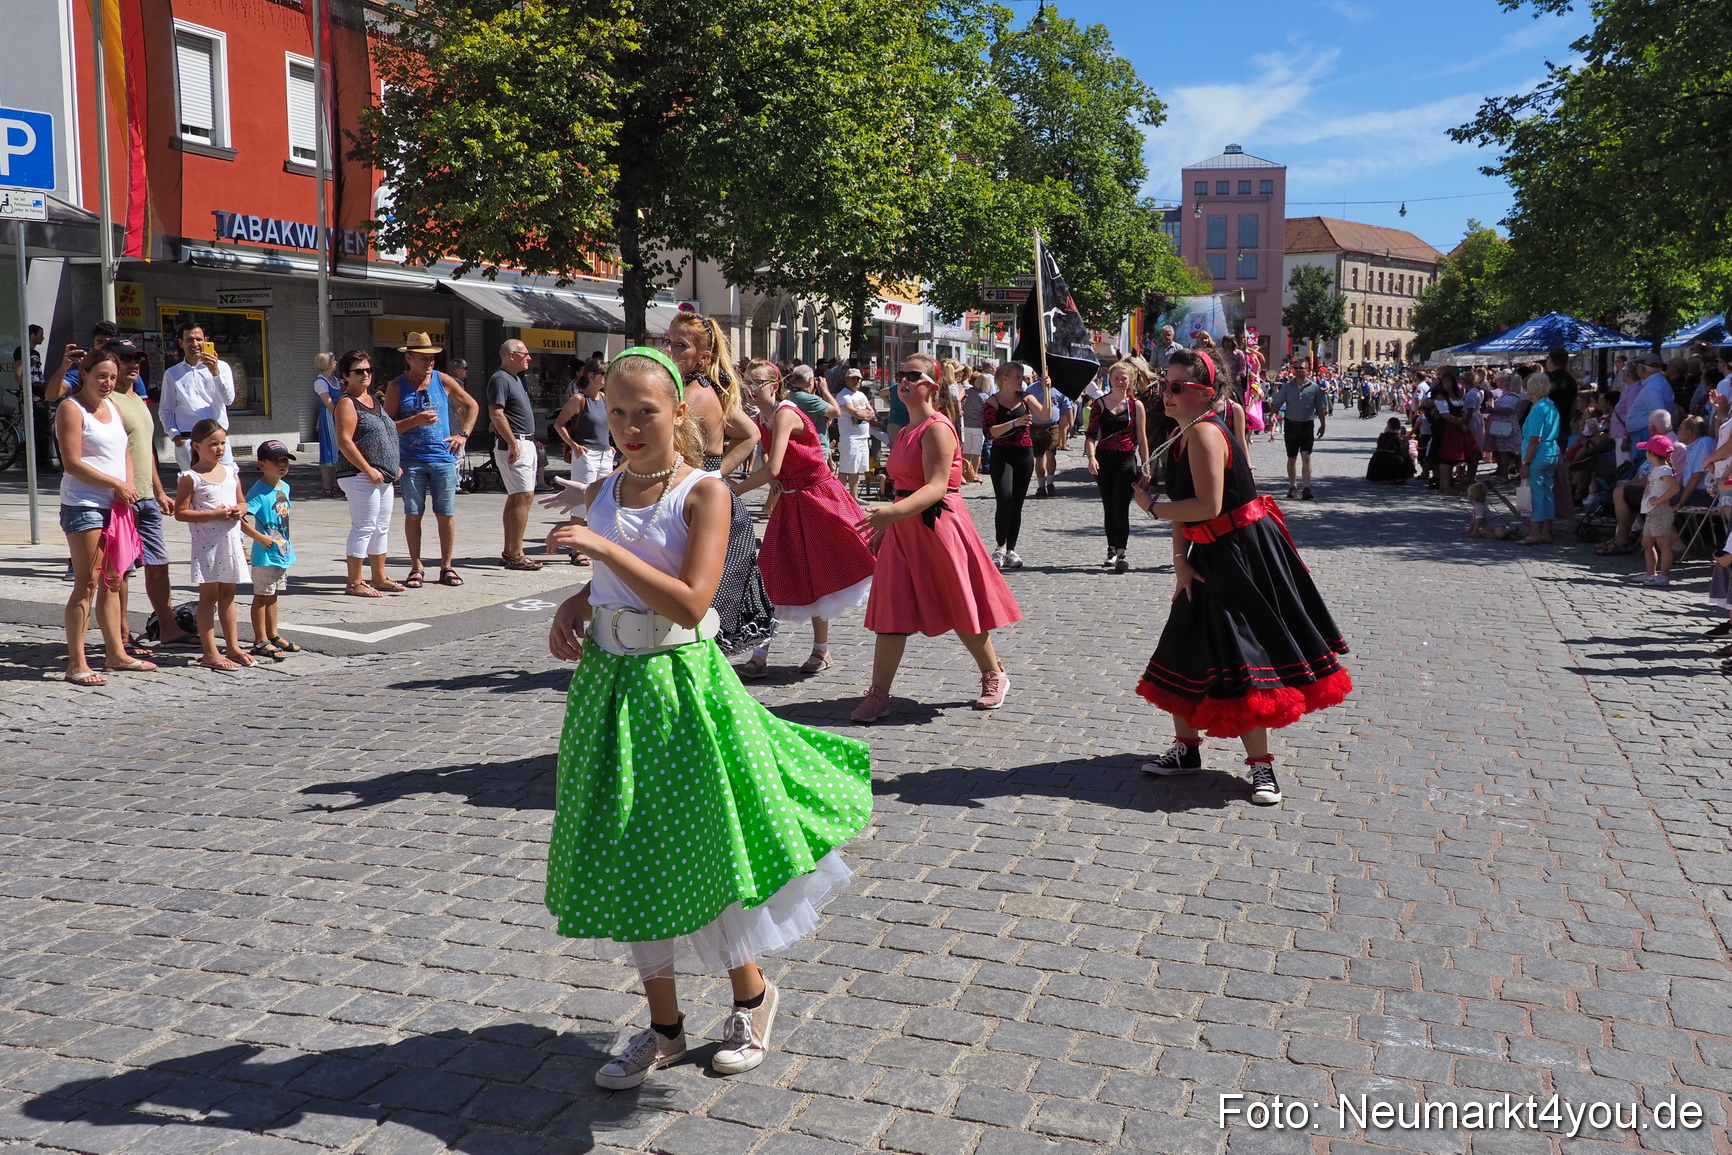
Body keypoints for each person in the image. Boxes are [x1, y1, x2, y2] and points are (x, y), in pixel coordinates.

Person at [541, 347, 872, 1090]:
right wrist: (577, 600)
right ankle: (663, 1029)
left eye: (645, 411)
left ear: (680, 413)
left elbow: (694, 600)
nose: (628, 425)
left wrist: (600, 549)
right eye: (616, 411)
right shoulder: (606, 490)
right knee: (630, 852)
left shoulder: (704, 492)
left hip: (679, 687)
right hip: (610, 688)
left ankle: (752, 997)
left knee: (704, 847)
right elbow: (613, 582)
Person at [1131, 348, 1351, 806]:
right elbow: (1185, 505)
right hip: (1208, 550)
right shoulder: (1181, 431)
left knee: (1247, 656)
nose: (1165, 394)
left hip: (1241, 553)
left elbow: (1205, 506)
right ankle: (1187, 750)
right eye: (1162, 386)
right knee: (1185, 642)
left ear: (1204, 393)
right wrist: (1179, 560)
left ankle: (1262, 767)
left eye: (1176, 387)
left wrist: (1150, 508)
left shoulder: (1208, 434)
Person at [850, 353, 1020, 722]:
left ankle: (994, 674)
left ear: (932, 384)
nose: (904, 381)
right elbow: (901, 488)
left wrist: (890, 515)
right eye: (900, 374)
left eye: (914, 375)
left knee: (959, 605)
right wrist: (889, 525)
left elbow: (938, 487)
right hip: (903, 527)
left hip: (938, 525)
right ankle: (878, 695)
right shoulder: (907, 430)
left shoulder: (938, 427)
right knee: (891, 611)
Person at [731, 365, 876, 677]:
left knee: (820, 570)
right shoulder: (760, 419)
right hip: (793, 500)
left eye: (759, 382)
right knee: (774, 570)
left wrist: (730, 489)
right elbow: (772, 467)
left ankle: (820, 649)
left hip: (819, 497)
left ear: (775, 385)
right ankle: (760, 654)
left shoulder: (785, 413)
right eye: (748, 382)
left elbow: (771, 467)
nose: (752, 387)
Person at [663, 312, 774, 656]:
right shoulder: (706, 388)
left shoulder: (695, 394)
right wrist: (716, 474)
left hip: (698, 502)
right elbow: (749, 433)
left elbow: (664, 453)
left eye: (680, 345)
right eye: (667, 342)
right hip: (706, 495)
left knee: (698, 601)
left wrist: (712, 474)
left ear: (703, 356)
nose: (670, 351)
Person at [56, 349, 145, 686]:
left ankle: (115, 653)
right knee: (87, 582)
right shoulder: (71, 408)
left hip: (117, 506)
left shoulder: (114, 407)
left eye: (111, 376)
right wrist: (116, 484)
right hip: (84, 504)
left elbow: (124, 450)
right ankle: (76, 663)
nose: (107, 383)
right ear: (85, 374)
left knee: (114, 580)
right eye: (101, 376)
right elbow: (72, 462)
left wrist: (130, 485)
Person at [106, 342, 193, 650]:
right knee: (122, 569)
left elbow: (147, 451)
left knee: (159, 563)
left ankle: (167, 627)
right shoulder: (107, 401)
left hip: (146, 496)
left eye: (138, 359)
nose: (134, 364)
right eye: (127, 359)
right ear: (112, 362)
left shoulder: (137, 400)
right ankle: (122, 633)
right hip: (122, 496)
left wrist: (159, 491)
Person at [384, 332, 479, 588]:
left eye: (432, 358)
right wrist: (415, 420)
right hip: (411, 460)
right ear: (410, 358)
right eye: (424, 358)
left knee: (445, 514)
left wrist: (463, 434)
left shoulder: (443, 380)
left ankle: (447, 566)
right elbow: (386, 426)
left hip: (442, 458)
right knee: (413, 513)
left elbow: (473, 406)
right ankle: (416, 565)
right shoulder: (397, 386)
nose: (430, 363)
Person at [175, 419, 264, 671]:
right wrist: (212, 515)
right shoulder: (191, 477)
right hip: (208, 544)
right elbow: (180, 512)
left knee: (228, 595)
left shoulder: (231, 471)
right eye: (213, 444)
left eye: (223, 443)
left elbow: (243, 502)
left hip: (230, 542)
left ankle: (233, 646)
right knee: (209, 597)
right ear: (197, 446)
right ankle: (210, 651)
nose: (219, 448)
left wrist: (239, 509)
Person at [332, 349, 408, 598]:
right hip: (358, 475)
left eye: (368, 370)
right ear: (346, 375)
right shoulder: (347, 402)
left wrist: (390, 464)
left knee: (381, 527)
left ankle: (379, 576)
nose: (365, 374)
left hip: (382, 475)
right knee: (364, 526)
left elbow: (385, 433)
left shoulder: (373, 400)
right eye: (358, 371)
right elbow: (345, 441)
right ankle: (354, 581)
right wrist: (368, 469)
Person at [1085, 358, 1151, 574]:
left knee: (1121, 507)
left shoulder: (1136, 406)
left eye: (1124, 378)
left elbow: (1141, 437)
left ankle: (1121, 551)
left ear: (1130, 380)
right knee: (1108, 506)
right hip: (1104, 459)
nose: (1120, 382)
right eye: (1116, 378)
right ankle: (1111, 548)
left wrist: (1146, 465)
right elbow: (1091, 435)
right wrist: (1091, 457)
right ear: (1110, 379)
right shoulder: (1100, 404)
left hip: (1126, 459)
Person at [982, 362, 1050, 569]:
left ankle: (1011, 549)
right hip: (1002, 453)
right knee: (1005, 499)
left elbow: (1046, 415)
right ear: (1004, 378)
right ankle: (1000, 547)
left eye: (1022, 376)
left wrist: (1046, 389)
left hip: (1023, 453)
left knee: (1017, 503)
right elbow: (989, 432)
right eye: (1017, 376)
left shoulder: (1026, 399)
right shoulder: (993, 402)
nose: (1022, 380)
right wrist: (1014, 423)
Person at [486, 339, 546, 571]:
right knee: (523, 496)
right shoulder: (500, 379)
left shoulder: (516, 379)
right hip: (515, 444)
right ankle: (515, 553)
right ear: (511, 355)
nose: (529, 358)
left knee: (517, 497)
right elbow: (496, 413)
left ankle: (511, 550)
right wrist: (513, 443)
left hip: (524, 441)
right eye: (525, 354)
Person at [548, 361, 613, 565]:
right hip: (586, 454)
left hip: (604, 454)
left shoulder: (604, 398)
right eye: (603, 373)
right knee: (580, 501)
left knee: (603, 501)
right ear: (592, 376)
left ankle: (596, 544)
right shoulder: (579, 399)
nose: (606, 377)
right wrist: (573, 445)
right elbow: (559, 424)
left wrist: (611, 445)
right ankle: (576, 550)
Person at [245, 440, 299, 661]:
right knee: (261, 596)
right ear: (261, 464)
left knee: (274, 594)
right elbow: (239, 518)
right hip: (265, 554)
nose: (282, 465)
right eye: (276, 461)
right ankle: (259, 640)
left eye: (285, 460)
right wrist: (258, 537)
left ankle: (272, 634)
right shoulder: (258, 492)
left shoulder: (284, 487)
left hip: (282, 552)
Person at [158, 322, 235, 471]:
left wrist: (215, 373)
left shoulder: (222, 367)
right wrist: (176, 437)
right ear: (181, 343)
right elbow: (166, 410)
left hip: (218, 440)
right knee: (193, 486)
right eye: (189, 340)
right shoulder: (172, 374)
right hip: (188, 441)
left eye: (198, 339)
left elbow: (228, 400)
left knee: (227, 482)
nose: (195, 344)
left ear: (206, 341)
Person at [1518, 371, 1561, 546]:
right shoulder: (1550, 405)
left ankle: (1535, 532)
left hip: (1538, 455)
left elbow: (1535, 439)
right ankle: (1546, 531)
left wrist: (1526, 463)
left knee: (1536, 493)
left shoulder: (1538, 409)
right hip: (1551, 452)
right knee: (1547, 493)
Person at [1270, 362, 1324, 500]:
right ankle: (1292, 486)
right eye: (1297, 368)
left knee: (1306, 456)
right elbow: (1277, 402)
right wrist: (1272, 414)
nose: (1299, 370)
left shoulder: (1314, 388)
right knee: (1292, 457)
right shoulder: (1287, 387)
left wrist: (1323, 424)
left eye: (1302, 368)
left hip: (1307, 424)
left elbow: (1320, 407)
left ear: (1308, 370)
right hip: (1291, 425)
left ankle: (1306, 487)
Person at [1633, 433, 1678, 586]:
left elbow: (1674, 488)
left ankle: (1664, 575)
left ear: (1652, 453)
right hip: (1651, 512)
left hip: (1660, 511)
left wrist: (1659, 500)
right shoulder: (1657, 469)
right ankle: (1650, 572)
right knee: (1647, 543)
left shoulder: (1664, 470)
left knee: (1663, 544)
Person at [833, 367, 876, 499]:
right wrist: (863, 414)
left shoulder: (861, 395)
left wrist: (863, 415)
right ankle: (839, 497)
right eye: (852, 378)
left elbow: (872, 413)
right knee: (846, 468)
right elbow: (855, 413)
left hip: (863, 437)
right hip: (850, 437)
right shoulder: (843, 395)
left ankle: (854, 496)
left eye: (858, 379)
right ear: (846, 380)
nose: (856, 381)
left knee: (856, 469)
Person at [1029, 379, 1070, 498]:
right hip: (1036, 426)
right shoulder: (1031, 389)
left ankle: (1050, 483)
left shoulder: (1059, 388)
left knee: (1050, 453)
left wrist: (1070, 423)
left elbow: (1066, 405)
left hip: (1053, 426)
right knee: (1039, 457)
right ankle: (1041, 486)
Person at [312, 352, 342, 498]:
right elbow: (329, 404)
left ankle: (338, 484)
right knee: (329, 451)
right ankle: (327, 486)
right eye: (333, 360)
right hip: (329, 417)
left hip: (337, 415)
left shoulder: (335, 379)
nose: (336, 362)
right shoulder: (321, 382)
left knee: (339, 450)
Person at [959, 369, 991, 485]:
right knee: (977, 452)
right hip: (978, 426)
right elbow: (986, 413)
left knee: (966, 450)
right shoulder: (984, 397)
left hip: (966, 424)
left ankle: (964, 472)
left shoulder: (967, 392)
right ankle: (974, 474)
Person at [1365, 417, 1416, 483]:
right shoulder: (1399, 437)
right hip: (1393, 458)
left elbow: (1378, 447)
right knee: (1404, 457)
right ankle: (1402, 475)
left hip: (1378, 458)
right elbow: (1404, 450)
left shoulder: (1381, 436)